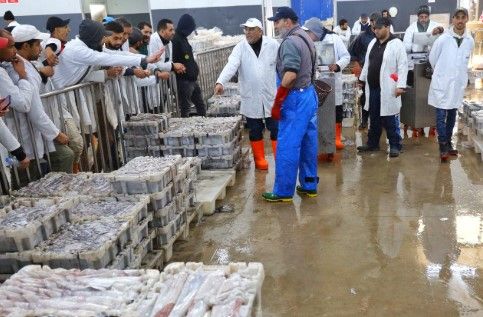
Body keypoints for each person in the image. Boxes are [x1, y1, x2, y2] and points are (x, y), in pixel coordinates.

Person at [261, 7, 318, 202]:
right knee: (308, 142)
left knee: (287, 145)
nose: (275, 26)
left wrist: (278, 100)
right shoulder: (305, 37)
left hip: (295, 99)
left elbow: (290, 74)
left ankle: (283, 192)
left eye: (277, 22)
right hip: (308, 94)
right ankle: (310, 185)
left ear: (287, 21)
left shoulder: (290, 42)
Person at [214, 18, 279, 170]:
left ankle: (280, 158)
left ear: (260, 31)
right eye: (246, 29)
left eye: (251, 29)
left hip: (270, 95)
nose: (248, 32)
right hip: (251, 97)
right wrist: (220, 82)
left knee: (276, 128)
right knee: (255, 130)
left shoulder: (273, 45)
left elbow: (282, 65)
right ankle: (260, 160)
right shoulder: (240, 48)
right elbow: (231, 65)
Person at [10, 24, 73, 174]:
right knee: (29, 178)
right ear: (26, 45)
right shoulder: (19, 68)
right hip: (24, 133)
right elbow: (33, 108)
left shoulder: (27, 64)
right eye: (37, 44)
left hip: (34, 131)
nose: (41, 48)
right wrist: (56, 134)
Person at [357, 17, 408, 158]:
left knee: (389, 118)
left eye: (379, 28)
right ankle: (373, 144)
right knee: (374, 118)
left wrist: (401, 86)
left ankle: (395, 145)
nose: (376, 31)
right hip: (373, 88)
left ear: (387, 27)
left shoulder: (396, 44)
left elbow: (403, 66)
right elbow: (367, 63)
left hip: (388, 88)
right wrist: (362, 79)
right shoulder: (373, 42)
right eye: (374, 28)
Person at [428, 8, 474, 162]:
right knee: (441, 115)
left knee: (452, 114)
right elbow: (433, 58)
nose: (460, 20)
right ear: (452, 20)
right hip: (443, 83)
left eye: (463, 17)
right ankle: (442, 145)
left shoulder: (469, 41)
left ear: (466, 19)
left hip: (457, 84)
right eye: (457, 18)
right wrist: (442, 75)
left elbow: (466, 61)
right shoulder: (443, 39)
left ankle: (448, 142)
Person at [303, 18, 350, 158]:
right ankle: (319, 143)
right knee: (317, 113)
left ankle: (334, 139)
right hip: (314, 82)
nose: (307, 35)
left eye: (308, 32)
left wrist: (337, 65)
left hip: (332, 80)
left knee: (335, 111)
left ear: (316, 31)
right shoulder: (307, 42)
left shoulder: (334, 39)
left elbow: (346, 56)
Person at [172, 14, 206, 117]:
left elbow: (188, 57)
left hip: (192, 79)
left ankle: (204, 122)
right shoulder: (176, 40)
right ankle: (186, 129)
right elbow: (175, 60)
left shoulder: (183, 38)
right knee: (185, 108)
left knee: (200, 104)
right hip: (184, 81)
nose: (191, 31)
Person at [349, 12, 379, 129]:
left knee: (380, 96)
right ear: (370, 22)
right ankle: (364, 120)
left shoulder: (384, 36)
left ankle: (379, 122)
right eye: (373, 21)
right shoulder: (362, 36)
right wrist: (357, 66)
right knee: (366, 96)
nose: (375, 24)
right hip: (365, 71)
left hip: (381, 72)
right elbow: (351, 51)